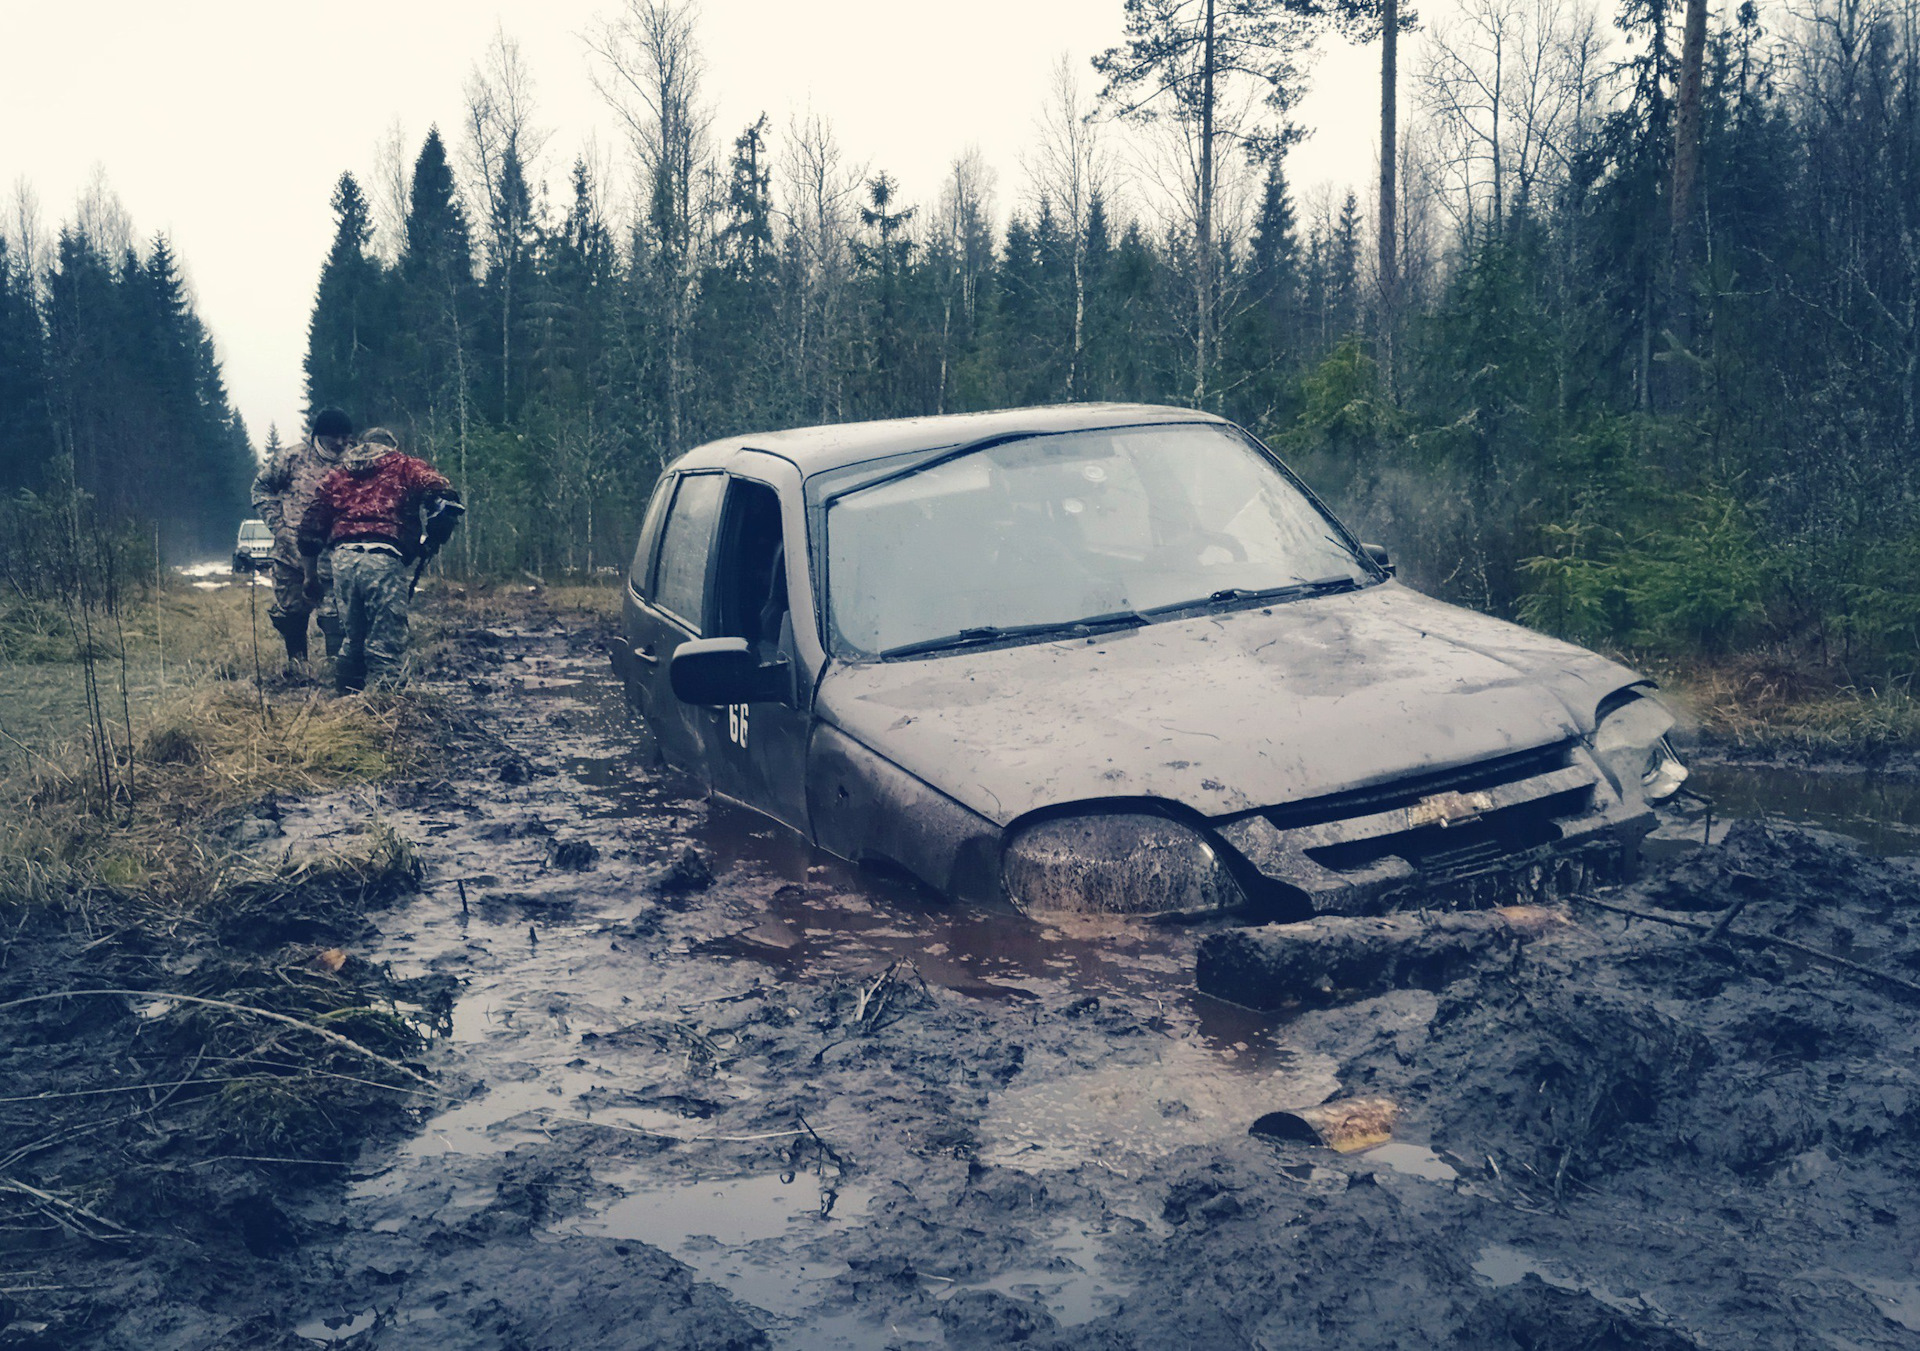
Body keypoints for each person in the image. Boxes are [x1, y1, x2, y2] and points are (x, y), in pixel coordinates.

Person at [296, 428, 463, 694]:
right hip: (384, 557)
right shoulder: (405, 466)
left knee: (353, 638)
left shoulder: (337, 475)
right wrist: (434, 538)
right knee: (385, 640)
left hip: (344, 560)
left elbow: (309, 530)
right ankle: (383, 708)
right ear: (391, 446)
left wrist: (310, 575)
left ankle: (346, 702)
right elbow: (444, 495)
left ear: (362, 446)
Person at [251, 408, 353, 667]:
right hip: (290, 555)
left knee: (335, 615)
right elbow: (261, 488)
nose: (340, 443)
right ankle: (298, 669)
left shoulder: (352, 461)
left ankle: (336, 673)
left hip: (333, 556)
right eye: (334, 437)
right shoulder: (292, 457)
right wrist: (279, 527)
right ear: (319, 435)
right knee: (292, 613)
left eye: (345, 437)